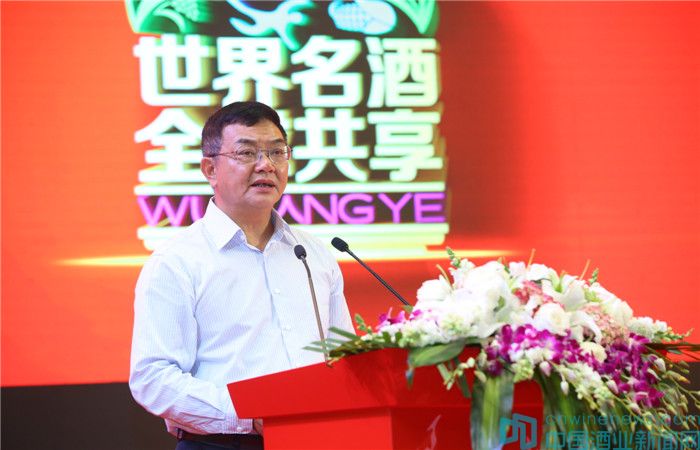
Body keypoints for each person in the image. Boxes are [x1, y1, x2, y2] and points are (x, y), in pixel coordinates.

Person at [129, 101, 354, 450]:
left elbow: (344, 356)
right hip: (223, 443)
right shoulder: (176, 262)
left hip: (319, 439)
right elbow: (153, 378)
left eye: (277, 152)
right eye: (247, 153)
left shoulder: (315, 254)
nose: (266, 165)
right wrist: (249, 413)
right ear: (210, 169)